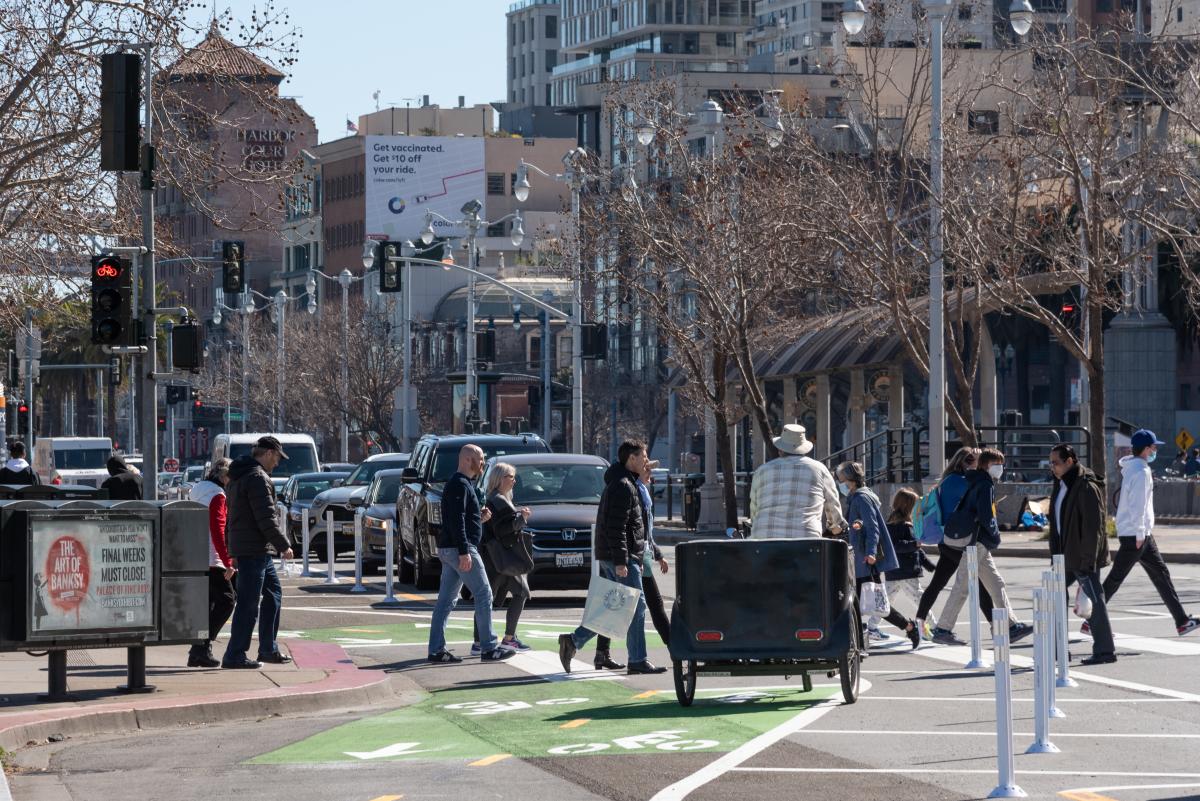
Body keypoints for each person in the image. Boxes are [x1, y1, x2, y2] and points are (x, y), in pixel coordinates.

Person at [559, 440, 665, 675]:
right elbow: (616, 528)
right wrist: (621, 561)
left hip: (618, 555)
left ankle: (573, 641)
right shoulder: (623, 486)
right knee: (637, 605)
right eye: (644, 456)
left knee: (613, 608)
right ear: (632, 459)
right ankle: (638, 659)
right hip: (621, 557)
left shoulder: (625, 482)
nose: (646, 461)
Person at [915, 448, 1032, 643]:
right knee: (965, 585)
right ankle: (943, 628)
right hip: (974, 540)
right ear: (987, 465)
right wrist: (995, 536)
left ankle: (1010, 625)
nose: (1001, 468)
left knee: (994, 583)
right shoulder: (982, 483)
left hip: (968, 540)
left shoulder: (970, 479)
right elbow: (986, 516)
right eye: (998, 464)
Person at [1102, 429, 1200, 637]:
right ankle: (1092, 619)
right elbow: (1138, 505)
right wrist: (1139, 534)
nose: (1155, 450)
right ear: (1146, 449)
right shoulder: (1141, 472)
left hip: (1140, 533)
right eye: (1154, 447)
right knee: (1115, 579)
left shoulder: (1132, 468)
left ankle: (1182, 621)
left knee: (1161, 574)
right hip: (1137, 535)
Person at [428, 445, 515, 663]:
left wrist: (479, 518)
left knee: (446, 601)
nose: (483, 463)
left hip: (452, 549)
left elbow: (461, 517)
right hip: (461, 549)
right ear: (468, 460)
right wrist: (464, 551)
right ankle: (488, 647)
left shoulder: (462, 484)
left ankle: (436, 649)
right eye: (480, 459)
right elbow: (456, 521)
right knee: (484, 593)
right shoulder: (459, 484)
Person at [221, 436, 294, 669]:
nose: (278, 463)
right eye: (277, 458)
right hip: (254, 548)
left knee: (273, 594)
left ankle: (268, 648)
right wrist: (284, 545)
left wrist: (231, 547)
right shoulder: (257, 478)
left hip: (252, 547)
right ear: (269, 453)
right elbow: (266, 518)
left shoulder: (239, 475)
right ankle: (235, 654)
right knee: (248, 603)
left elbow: (233, 516)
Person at [836, 462, 919, 649]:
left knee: (872, 601)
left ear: (850, 480)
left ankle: (907, 626)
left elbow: (872, 528)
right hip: (859, 557)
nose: (839, 483)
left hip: (864, 558)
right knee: (872, 601)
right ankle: (905, 626)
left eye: (840, 479)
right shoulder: (858, 496)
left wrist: (871, 553)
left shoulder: (861, 498)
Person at [1047, 444, 1116, 665]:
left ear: (1070, 461)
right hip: (1064, 555)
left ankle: (1105, 651)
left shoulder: (1086, 486)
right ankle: (1059, 651)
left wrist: (1088, 560)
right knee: (1056, 598)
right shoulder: (1061, 483)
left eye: (1055, 463)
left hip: (1081, 556)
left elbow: (1093, 527)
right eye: (1051, 463)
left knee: (1095, 601)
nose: (1052, 467)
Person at [471, 462, 533, 654]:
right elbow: (502, 530)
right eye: (511, 477)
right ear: (501, 479)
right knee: (519, 593)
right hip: (503, 558)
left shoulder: (494, 498)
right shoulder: (498, 500)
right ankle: (508, 638)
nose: (514, 481)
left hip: (495, 557)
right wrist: (521, 520)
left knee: (487, 598)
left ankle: (481, 641)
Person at [750, 424, 847, 538]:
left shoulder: (761, 471)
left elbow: (754, 509)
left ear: (780, 449)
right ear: (804, 449)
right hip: (805, 537)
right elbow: (832, 504)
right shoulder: (819, 469)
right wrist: (836, 525)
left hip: (764, 536)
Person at [188, 458, 236, 668]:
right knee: (227, 600)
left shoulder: (197, 490)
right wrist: (227, 561)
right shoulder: (218, 495)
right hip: (212, 558)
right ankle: (201, 647)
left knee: (208, 604)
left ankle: (199, 650)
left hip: (195, 553)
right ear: (224, 476)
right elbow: (217, 529)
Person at [879, 487, 937, 641]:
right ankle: (935, 628)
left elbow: (915, 548)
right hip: (905, 572)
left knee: (886, 602)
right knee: (920, 601)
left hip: (896, 572)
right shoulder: (899, 525)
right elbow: (897, 546)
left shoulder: (897, 524)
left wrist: (929, 564)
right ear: (908, 507)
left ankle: (871, 627)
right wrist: (914, 544)